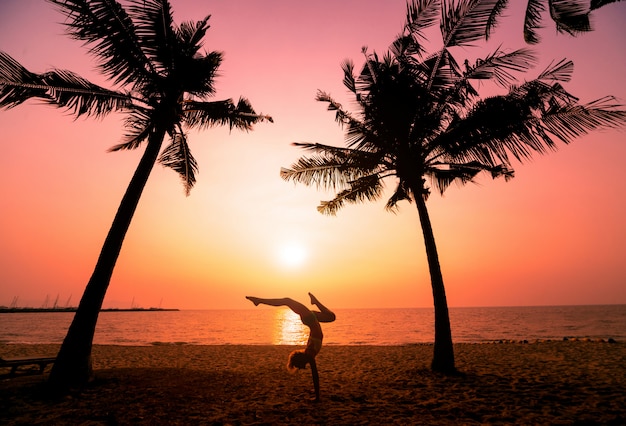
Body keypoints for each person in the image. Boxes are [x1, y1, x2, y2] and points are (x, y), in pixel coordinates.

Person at [245, 293, 336, 401]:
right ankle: (315, 302)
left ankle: (258, 300)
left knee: (287, 300)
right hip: (312, 319)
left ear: (301, 360)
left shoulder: (310, 354)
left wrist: (317, 398)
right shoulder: (310, 354)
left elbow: (315, 376)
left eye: (299, 366)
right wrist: (317, 397)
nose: (302, 368)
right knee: (331, 317)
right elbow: (315, 375)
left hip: (310, 319)